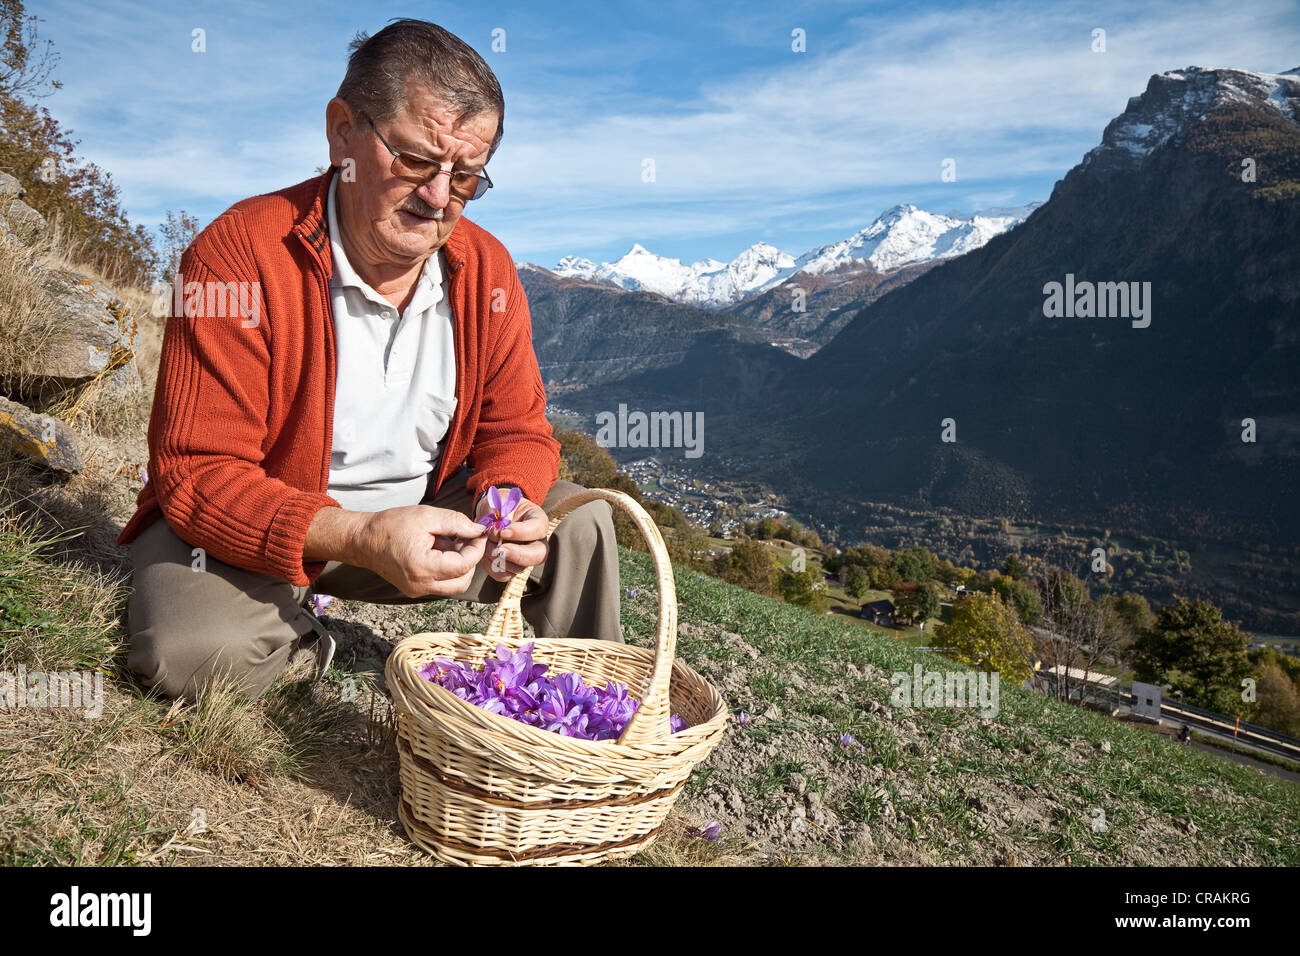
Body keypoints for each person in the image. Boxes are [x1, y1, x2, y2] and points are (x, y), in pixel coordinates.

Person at [116, 20, 622, 703]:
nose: (439, 197)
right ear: (342, 131)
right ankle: (305, 639)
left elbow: (518, 432)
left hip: (422, 529)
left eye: (466, 175)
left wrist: (511, 503)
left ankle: (584, 725)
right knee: (193, 654)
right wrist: (357, 535)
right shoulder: (237, 256)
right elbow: (196, 475)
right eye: (414, 159)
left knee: (580, 520)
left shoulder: (488, 271)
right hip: (257, 537)